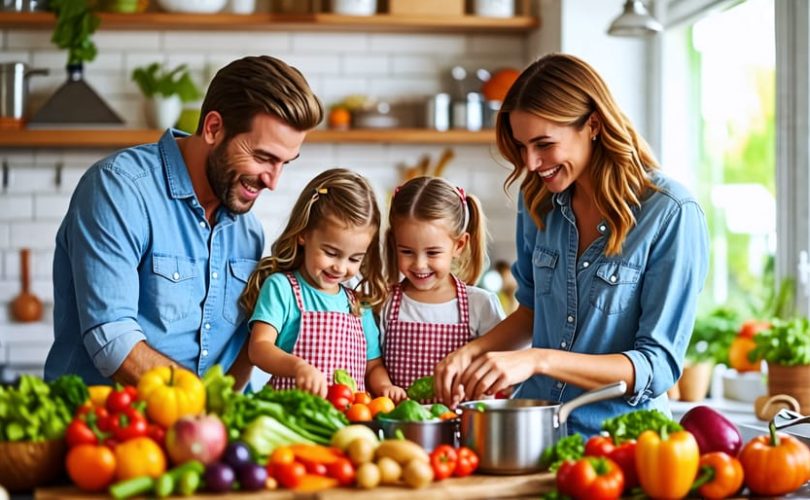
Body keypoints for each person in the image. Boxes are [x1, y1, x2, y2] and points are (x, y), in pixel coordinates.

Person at [434, 53, 710, 436]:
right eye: (521, 146)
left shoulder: (669, 213)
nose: (531, 163)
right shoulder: (538, 203)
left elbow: (656, 366)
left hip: (621, 447)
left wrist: (539, 360)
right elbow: (531, 312)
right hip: (538, 436)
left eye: (544, 144)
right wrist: (469, 352)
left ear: (593, 124)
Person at [44, 55, 323, 388]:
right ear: (213, 128)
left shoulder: (247, 231)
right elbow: (113, 341)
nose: (272, 181)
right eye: (263, 157)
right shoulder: (119, 190)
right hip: (106, 427)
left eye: (285, 163)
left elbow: (237, 358)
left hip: (198, 434)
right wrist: (200, 408)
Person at [240, 168, 389, 397]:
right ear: (304, 234)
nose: (340, 267)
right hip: (293, 416)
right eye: (330, 252)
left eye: (354, 258)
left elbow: (373, 366)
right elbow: (259, 348)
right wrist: (297, 367)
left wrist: (385, 387)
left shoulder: (358, 305)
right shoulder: (282, 288)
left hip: (346, 422)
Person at [377, 176, 505, 403]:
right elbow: (372, 364)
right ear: (393, 243)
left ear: (459, 245)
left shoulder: (480, 305)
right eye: (406, 251)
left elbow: (501, 367)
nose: (419, 264)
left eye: (433, 253)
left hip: (463, 429)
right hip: (401, 428)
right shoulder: (384, 302)